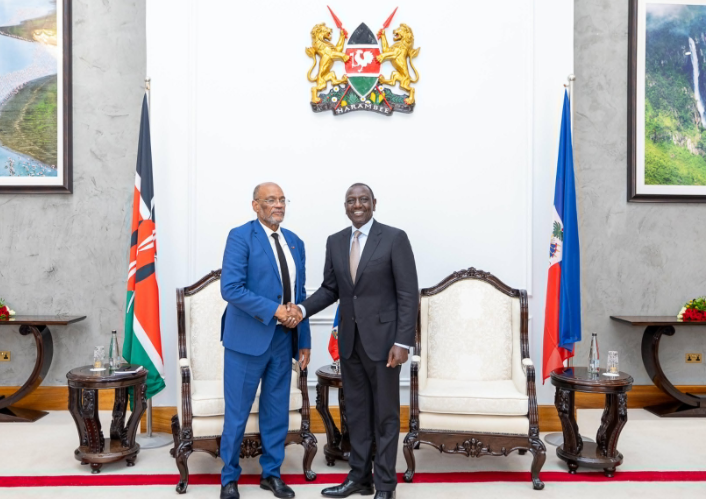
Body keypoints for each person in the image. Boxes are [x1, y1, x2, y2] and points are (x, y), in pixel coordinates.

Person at [297, 183, 418, 499]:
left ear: (374, 203)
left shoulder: (394, 238)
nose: (357, 204)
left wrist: (403, 342)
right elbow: (330, 289)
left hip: (385, 345)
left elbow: (408, 294)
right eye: (351, 200)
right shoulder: (336, 241)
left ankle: (386, 485)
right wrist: (300, 309)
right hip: (350, 343)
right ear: (345, 206)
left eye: (363, 199)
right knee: (357, 414)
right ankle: (360, 479)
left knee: (386, 415)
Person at [219, 182, 311, 499]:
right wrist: (274, 310)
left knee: (275, 412)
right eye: (271, 200)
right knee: (237, 413)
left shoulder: (295, 242)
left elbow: (300, 297)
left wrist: (305, 340)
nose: (279, 205)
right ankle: (229, 478)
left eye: (283, 199)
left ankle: (271, 474)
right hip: (246, 341)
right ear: (255, 205)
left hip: (283, 342)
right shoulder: (241, 236)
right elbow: (230, 288)